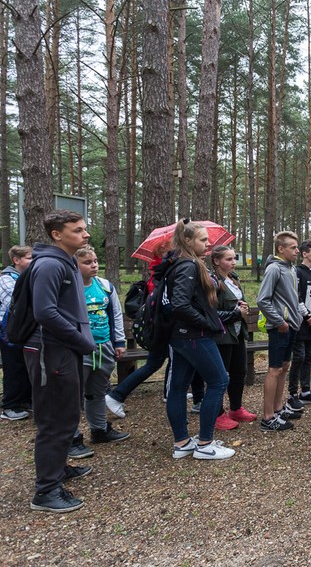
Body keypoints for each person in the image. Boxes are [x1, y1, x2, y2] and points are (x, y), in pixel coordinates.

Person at [24, 210, 96, 512]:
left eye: (84, 228)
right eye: (77, 230)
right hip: (50, 350)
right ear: (57, 234)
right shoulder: (50, 265)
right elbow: (45, 312)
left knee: (66, 414)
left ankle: (58, 468)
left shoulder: (65, 262)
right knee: (54, 419)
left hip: (64, 350)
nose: (85, 234)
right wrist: (81, 341)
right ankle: (46, 491)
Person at [165, 219, 235, 460]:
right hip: (195, 336)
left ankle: (182, 443)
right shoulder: (188, 266)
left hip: (182, 337)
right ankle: (205, 443)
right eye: (203, 240)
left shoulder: (181, 263)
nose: (208, 244)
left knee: (178, 388)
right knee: (219, 381)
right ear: (187, 240)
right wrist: (207, 323)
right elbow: (180, 305)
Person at [105, 243, 173, 418]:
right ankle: (116, 395)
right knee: (154, 364)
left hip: (161, 328)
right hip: (160, 330)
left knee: (165, 362)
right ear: (162, 254)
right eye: (170, 251)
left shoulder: (160, 272)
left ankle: (170, 393)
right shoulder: (159, 275)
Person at [72, 246, 129, 455]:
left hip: (104, 347)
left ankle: (99, 430)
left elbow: (115, 315)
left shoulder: (105, 286)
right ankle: (71, 438)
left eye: (95, 261)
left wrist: (119, 342)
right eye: (87, 262)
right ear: (75, 264)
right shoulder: (70, 288)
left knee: (96, 392)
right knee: (73, 395)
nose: (94, 265)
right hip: (80, 349)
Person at [257, 231, 303, 432]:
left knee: (284, 367)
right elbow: (262, 300)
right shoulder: (274, 269)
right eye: (293, 247)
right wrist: (279, 322)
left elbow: (292, 298)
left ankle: (278, 409)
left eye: (297, 247)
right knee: (274, 370)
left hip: (291, 326)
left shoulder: (290, 269)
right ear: (280, 249)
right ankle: (267, 418)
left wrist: (297, 318)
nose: (297, 251)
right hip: (279, 328)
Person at [209, 245, 256, 430]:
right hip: (222, 336)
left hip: (237, 334)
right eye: (228, 259)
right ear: (216, 261)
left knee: (239, 371)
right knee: (220, 375)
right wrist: (237, 313)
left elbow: (236, 305)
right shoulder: (213, 282)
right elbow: (212, 313)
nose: (233, 262)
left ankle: (236, 409)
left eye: (234, 258)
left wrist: (243, 306)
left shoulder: (234, 279)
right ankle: (217, 414)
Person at [286, 239, 311, 413]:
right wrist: (307, 314)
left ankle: (306, 391)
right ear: (305, 254)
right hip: (298, 323)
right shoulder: (297, 272)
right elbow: (296, 296)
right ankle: (292, 394)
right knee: (299, 357)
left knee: (308, 357)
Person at [0, 245, 33, 421]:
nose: (33, 261)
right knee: (13, 368)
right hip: (9, 332)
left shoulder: (25, 278)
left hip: (25, 331)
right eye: (29, 258)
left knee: (26, 366)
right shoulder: (6, 280)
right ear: (16, 260)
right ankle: (10, 405)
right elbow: (17, 304)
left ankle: (25, 400)